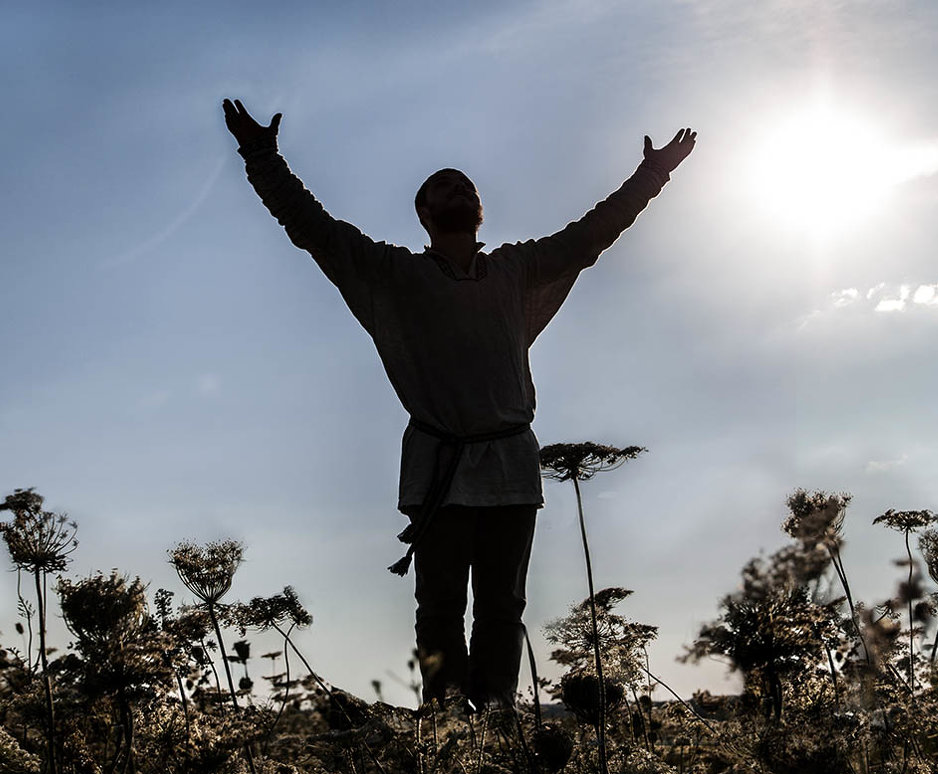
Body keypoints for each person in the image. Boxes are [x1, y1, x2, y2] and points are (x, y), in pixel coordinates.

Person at [222, 98, 696, 710]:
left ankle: (495, 714)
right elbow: (312, 228)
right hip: (438, 466)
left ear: (478, 209)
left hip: (508, 465)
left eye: (462, 184)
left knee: (504, 607)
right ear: (424, 215)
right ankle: (447, 720)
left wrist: (652, 174)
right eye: (440, 187)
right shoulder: (393, 274)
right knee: (439, 608)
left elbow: (591, 234)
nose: (454, 188)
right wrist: (261, 157)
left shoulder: (516, 268)